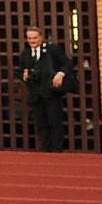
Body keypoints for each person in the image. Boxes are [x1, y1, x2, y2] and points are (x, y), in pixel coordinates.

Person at [20, 24, 75, 153]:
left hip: (51, 93)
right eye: (29, 38)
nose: (32, 41)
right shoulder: (25, 54)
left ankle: (57, 151)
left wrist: (60, 74)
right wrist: (25, 76)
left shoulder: (52, 50)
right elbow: (22, 71)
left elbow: (68, 63)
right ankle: (45, 151)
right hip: (36, 94)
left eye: (34, 38)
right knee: (41, 124)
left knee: (55, 122)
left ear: (41, 37)